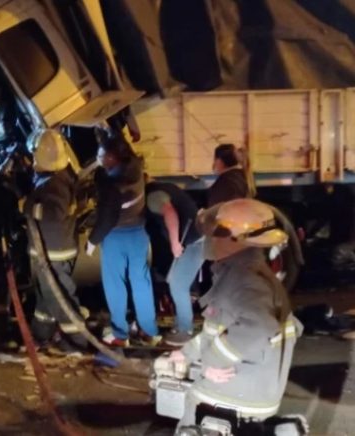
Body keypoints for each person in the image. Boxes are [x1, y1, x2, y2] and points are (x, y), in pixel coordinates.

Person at [166, 199, 302, 430]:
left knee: (191, 413)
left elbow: (259, 327)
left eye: (217, 231)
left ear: (233, 239)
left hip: (237, 398)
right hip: (249, 384)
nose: (210, 238)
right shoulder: (241, 272)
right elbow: (219, 328)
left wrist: (211, 362)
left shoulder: (244, 279)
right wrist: (186, 353)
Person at [89, 134, 160, 347]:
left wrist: (93, 241)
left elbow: (107, 217)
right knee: (141, 282)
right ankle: (148, 331)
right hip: (138, 232)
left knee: (115, 284)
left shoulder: (112, 184)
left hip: (116, 237)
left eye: (102, 155)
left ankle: (120, 334)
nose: (99, 158)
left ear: (112, 158)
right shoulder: (135, 167)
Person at [24, 129, 87, 352]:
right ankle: (41, 335)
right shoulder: (65, 176)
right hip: (55, 250)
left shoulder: (55, 184)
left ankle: (77, 342)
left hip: (53, 253)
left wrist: (28, 207)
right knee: (46, 297)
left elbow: (54, 212)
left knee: (59, 299)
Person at [146, 179, 203, 346]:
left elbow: (170, 213)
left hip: (194, 242)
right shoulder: (165, 186)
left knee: (178, 286)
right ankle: (181, 324)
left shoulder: (153, 197)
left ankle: (185, 330)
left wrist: (174, 243)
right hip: (197, 237)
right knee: (174, 281)